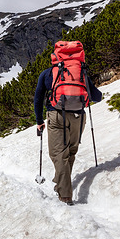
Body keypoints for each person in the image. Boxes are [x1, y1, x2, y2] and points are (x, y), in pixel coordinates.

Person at [34, 60, 102, 206]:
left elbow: (38, 98)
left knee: (58, 155)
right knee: (70, 152)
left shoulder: (48, 74)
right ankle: (61, 183)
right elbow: (97, 96)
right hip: (79, 117)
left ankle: (65, 195)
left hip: (56, 116)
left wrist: (39, 120)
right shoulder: (80, 73)